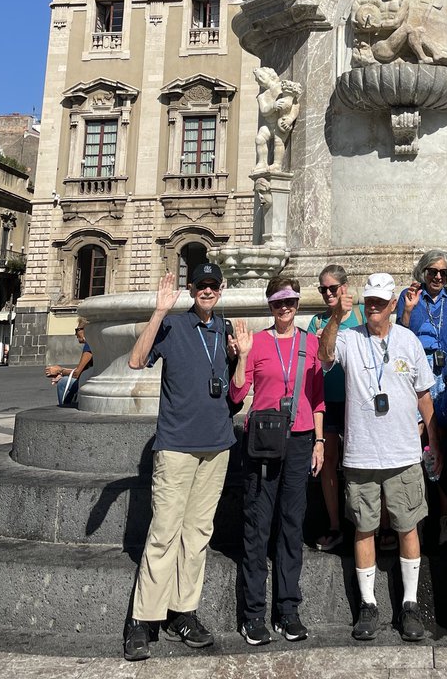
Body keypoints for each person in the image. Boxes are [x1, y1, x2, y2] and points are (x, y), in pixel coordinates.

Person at [122, 263, 236, 662]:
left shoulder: (226, 329)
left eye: (212, 286)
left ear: (220, 289)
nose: (206, 291)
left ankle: (182, 612)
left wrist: (243, 362)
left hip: (217, 445)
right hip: (176, 445)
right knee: (164, 531)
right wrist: (158, 311)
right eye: (200, 285)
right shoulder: (172, 326)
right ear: (191, 289)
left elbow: (233, 395)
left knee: (198, 533)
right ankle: (141, 620)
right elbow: (136, 361)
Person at [318, 272, 439, 643]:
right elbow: (324, 356)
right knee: (364, 528)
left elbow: (424, 396)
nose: (372, 307)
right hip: (361, 453)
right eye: (368, 300)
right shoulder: (350, 338)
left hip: (403, 451)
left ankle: (410, 603)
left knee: (407, 527)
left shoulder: (408, 340)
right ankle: (368, 604)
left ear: (392, 305)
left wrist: (435, 444)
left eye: (379, 302)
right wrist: (338, 317)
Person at [230, 277, 325, 646]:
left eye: (290, 302)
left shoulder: (310, 343)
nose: (284, 309)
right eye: (277, 303)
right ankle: (253, 614)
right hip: (263, 440)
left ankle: (288, 609)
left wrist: (319, 441)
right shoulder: (257, 342)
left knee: (292, 524)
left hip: (301, 439)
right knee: (257, 525)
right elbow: (238, 394)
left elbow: (317, 398)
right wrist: (241, 356)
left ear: (298, 304)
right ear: (269, 305)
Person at [397, 249, 447, 546]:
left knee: (445, 446)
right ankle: (415, 516)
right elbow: (398, 334)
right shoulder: (408, 296)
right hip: (416, 378)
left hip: (445, 379)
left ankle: (446, 519)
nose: (438, 276)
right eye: (432, 272)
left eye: (443, 272)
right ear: (422, 273)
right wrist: (409, 310)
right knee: (415, 443)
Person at [307, 263, 365, 551]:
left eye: (332, 288)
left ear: (345, 287)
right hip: (329, 400)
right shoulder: (318, 321)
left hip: (359, 400)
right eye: (323, 289)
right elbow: (316, 360)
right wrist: (336, 317)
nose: (328, 293)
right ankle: (334, 524)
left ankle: (368, 526)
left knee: (363, 462)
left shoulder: (363, 313)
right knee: (329, 460)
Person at [44, 318, 93, 406]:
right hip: (92, 380)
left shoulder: (89, 345)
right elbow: (81, 371)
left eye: (77, 330)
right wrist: (62, 372)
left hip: (90, 382)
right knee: (65, 379)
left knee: (63, 383)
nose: (75, 334)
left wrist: (59, 371)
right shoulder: (95, 343)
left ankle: (65, 409)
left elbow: (77, 373)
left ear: (86, 329)